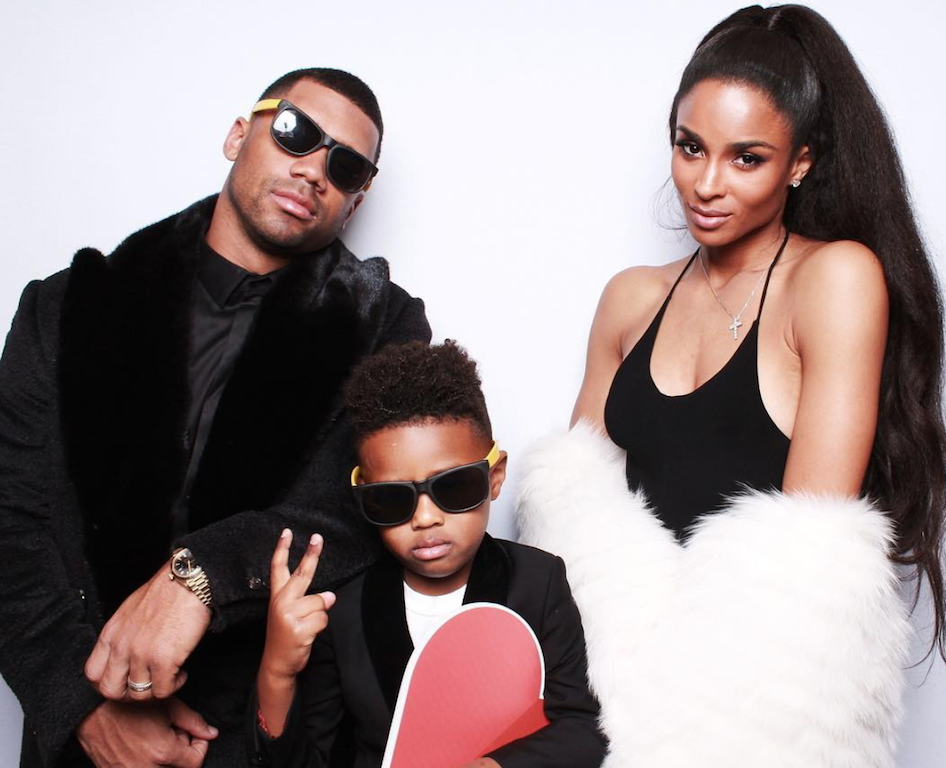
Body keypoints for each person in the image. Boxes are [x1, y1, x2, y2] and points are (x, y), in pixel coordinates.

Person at [518, 5, 946, 767]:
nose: (706, 185)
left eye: (747, 158)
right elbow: (571, 528)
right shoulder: (631, 297)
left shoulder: (834, 279)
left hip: (752, 716)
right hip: (604, 700)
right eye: (690, 147)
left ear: (800, 163)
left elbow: (806, 559)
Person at [0, 68, 430, 768]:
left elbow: (361, 507)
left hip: (255, 736)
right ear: (238, 135)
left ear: (356, 200)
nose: (314, 169)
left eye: (346, 165)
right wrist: (81, 709)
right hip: (80, 731)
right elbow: (10, 521)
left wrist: (200, 576)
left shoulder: (387, 326)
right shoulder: (64, 307)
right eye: (294, 132)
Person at [249, 341, 606, 768]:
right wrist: (276, 671)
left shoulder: (538, 581)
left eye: (454, 487)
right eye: (391, 499)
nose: (424, 518)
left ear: (494, 477)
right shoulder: (342, 612)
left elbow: (581, 728)